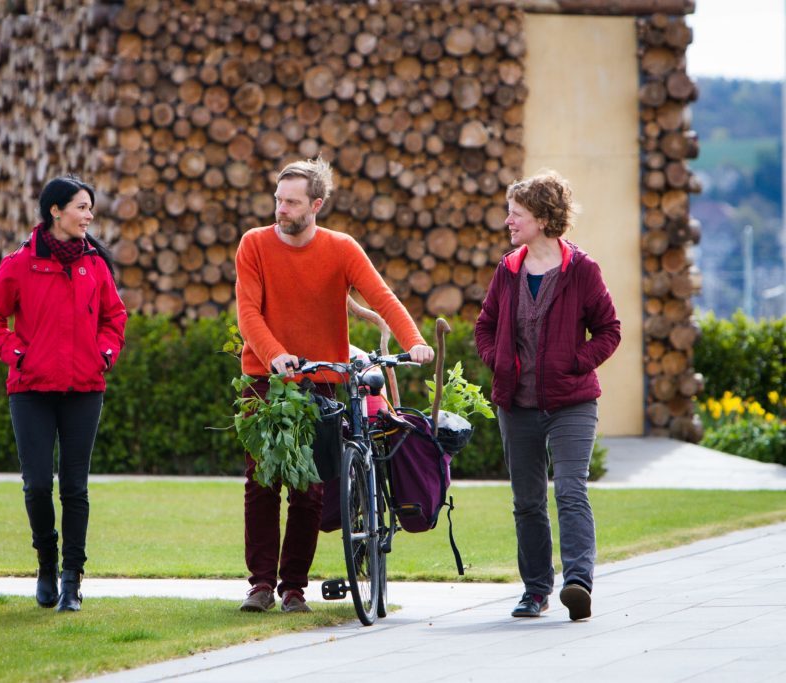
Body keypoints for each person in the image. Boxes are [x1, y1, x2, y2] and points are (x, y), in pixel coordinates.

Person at [234, 157, 434, 613]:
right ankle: (261, 585)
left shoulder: (341, 248)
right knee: (261, 482)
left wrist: (416, 342)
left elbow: (382, 297)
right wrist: (276, 355)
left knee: (310, 488)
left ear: (316, 205)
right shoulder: (254, 245)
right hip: (266, 380)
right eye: (278, 199)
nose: (280, 209)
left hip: (323, 381)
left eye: (291, 202)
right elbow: (249, 313)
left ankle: (293, 590)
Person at [0, 175, 127, 612]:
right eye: (82, 206)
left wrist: (105, 352)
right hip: (31, 390)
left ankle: (71, 580)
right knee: (38, 484)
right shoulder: (20, 264)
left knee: (75, 488)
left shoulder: (94, 264)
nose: (89, 216)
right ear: (55, 211)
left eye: (90, 207)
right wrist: (16, 354)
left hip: (84, 389)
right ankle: (45, 563)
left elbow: (115, 317)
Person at [474, 170, 620, 621]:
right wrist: (497, 359)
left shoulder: (582, 271)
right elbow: (484, 325)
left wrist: (574, 362)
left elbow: (609, 330)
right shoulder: (509, 269)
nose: (508, 221)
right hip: (516, 404)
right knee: (527, 500)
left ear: (541, 218)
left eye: (516, 214)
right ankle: (535, 590)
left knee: (571, 489)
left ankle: (578, 583)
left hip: (572, 402)